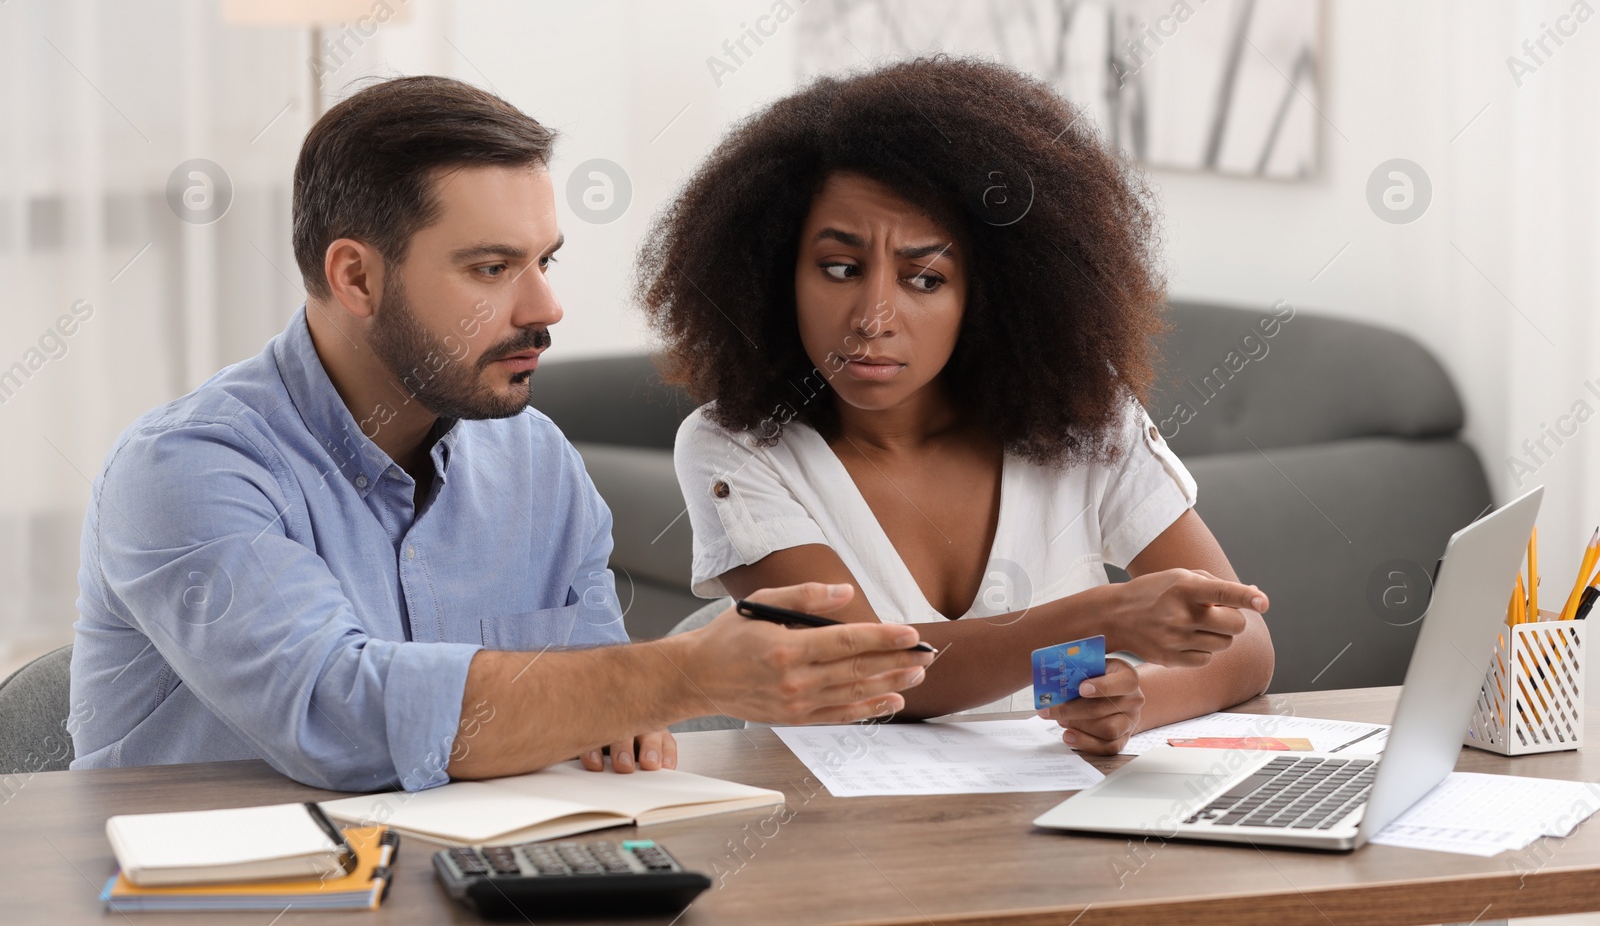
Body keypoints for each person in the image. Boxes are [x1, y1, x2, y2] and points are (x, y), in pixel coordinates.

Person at [69, 76, 932, 792]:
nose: (545, 308)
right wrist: (686, 672)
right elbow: (334, 712)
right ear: (356, 277)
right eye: (492, 268)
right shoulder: (185, 468)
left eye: (544, 261)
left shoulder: (537, 463)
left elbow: (605, 725)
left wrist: (627, 718)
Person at [640, 57, 1274, 754]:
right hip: (825, 839)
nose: (873, 317)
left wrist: (1128, 700)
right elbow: (863, 675)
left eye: (925, 277)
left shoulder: (1083, 420)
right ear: (773, 273)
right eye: (840, 268)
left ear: (990, 291)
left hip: (1038, 836)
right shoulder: (735, 447)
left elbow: (1244, 641)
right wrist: (1105, 617)